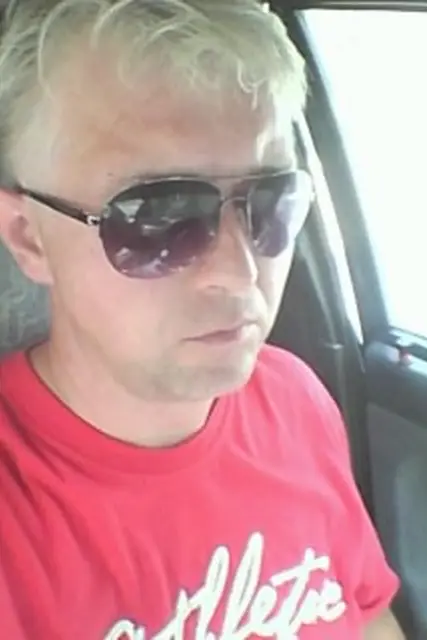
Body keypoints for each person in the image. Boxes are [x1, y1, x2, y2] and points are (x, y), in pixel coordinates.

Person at [0, 1, 404, 638]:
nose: (239, 272)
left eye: (271, 202)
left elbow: (366, 610)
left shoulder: (293, 396)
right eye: (158, 217)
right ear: (29, 237)